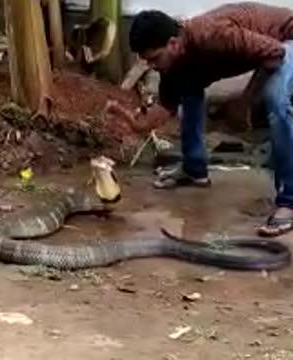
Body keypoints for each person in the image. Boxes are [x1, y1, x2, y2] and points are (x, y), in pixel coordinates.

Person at [107, 2, 293, 237]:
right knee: (190, 88)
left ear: (173, 43)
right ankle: (194, 169)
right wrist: (134, 123)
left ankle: (289, 201)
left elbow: (276, 54)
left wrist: (245, 101)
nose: (152, 67)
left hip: (286, 39)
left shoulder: (212, 34)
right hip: (269, 49)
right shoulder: (174, 63)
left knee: (276, 101)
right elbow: (166, 107)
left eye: (155, 59)